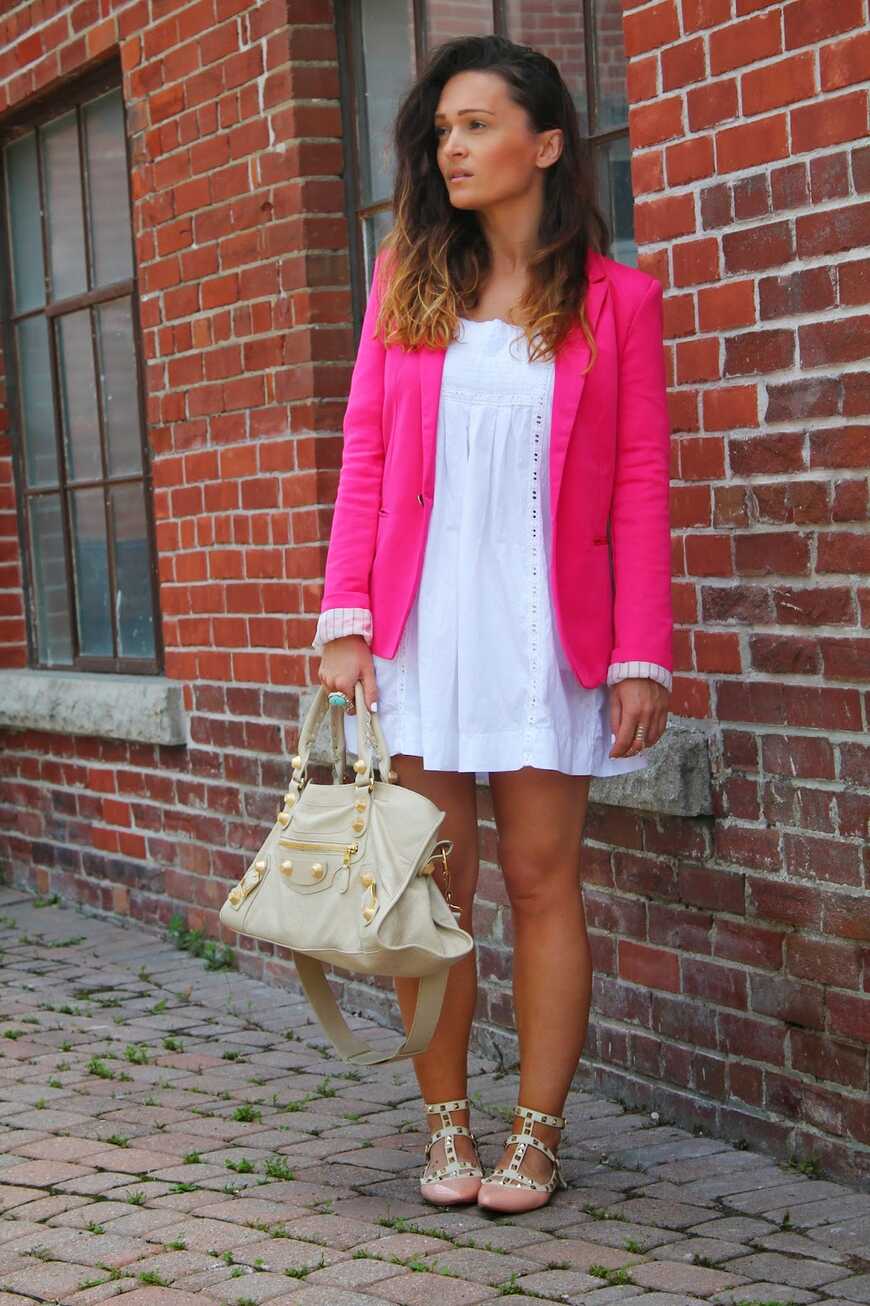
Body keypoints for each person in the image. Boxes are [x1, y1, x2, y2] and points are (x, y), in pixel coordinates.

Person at [313, 33, 672, 1214]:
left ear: (546, 143)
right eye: (442, 129)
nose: (450, 147)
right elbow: (365, 451)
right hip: (425, 627)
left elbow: (637, 481)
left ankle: (535, 1135)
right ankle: (446, 1130)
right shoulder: (404, 279)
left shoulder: (620, 303)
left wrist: (638, 652)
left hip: (544, 628)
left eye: (475, 124)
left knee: (538, 877)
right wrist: (346, 615)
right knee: (440, 889)